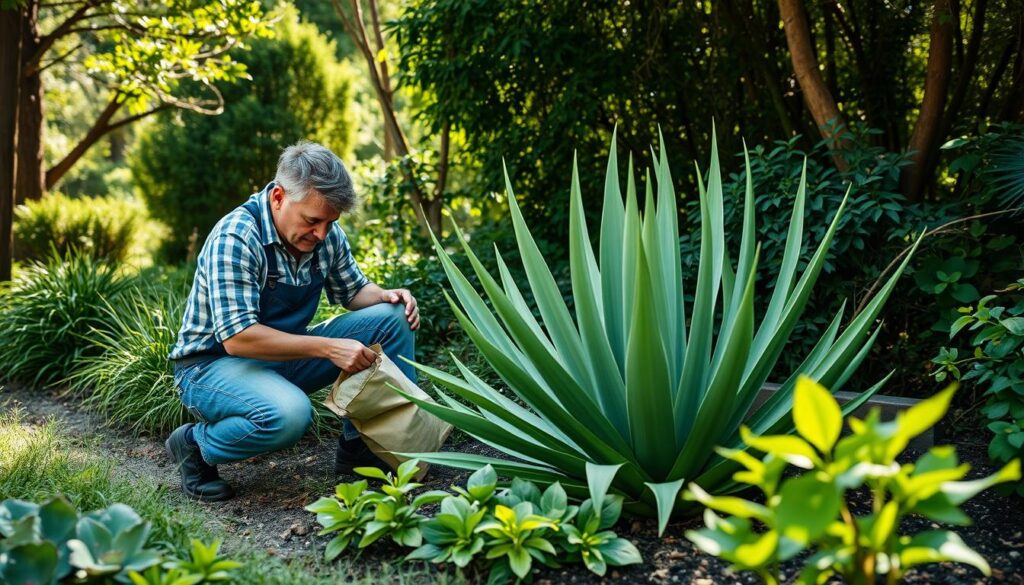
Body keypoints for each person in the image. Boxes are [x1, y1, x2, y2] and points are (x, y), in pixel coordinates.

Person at [165, 141, 419, 502]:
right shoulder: (237, 236)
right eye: (312, 221)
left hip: (281, 357)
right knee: (290, 414)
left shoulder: (323, 235)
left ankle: (363, 447)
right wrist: (329, 348)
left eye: (331, 223)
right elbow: (239, 339)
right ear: (280, 197)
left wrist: (389, 295)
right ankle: (194, 445)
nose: (321, 234)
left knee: (392, 318)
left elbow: (354, 291)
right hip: (212, 367)